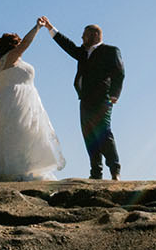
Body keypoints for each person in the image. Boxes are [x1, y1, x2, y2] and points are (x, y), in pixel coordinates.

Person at [39, 16, 124, 180]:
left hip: (103, 100)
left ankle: (115, 170)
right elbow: (67, 45)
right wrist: (50, 27)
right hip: (84, 100)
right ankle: (95, 173)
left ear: (93, 36)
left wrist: (114, 94)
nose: (81, 38)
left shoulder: (110, 51)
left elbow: (119, 72)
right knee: (89, 136)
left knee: (104, 133)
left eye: (84, 35)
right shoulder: (83, 53)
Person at [0, 22, 66, 181]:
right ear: (13, 45)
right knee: (20, 135)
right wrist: (37, 27)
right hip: (14, 103)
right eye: (18, 43)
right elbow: (26, 43)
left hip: (1, 104)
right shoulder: (11, 57)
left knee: (12, 137)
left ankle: (9, 172)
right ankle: (18, 173)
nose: (21, 46)